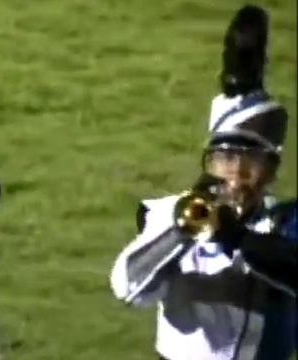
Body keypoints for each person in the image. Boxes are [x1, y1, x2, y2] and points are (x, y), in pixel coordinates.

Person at [110, 5, 297, 360]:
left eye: (250, 163)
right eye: (225, 159)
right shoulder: (169, 213)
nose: (236, 176)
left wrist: (237, 239)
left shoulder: (286, 223)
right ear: (209, 163)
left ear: (271, 171)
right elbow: (127, 287)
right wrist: (181, 231)